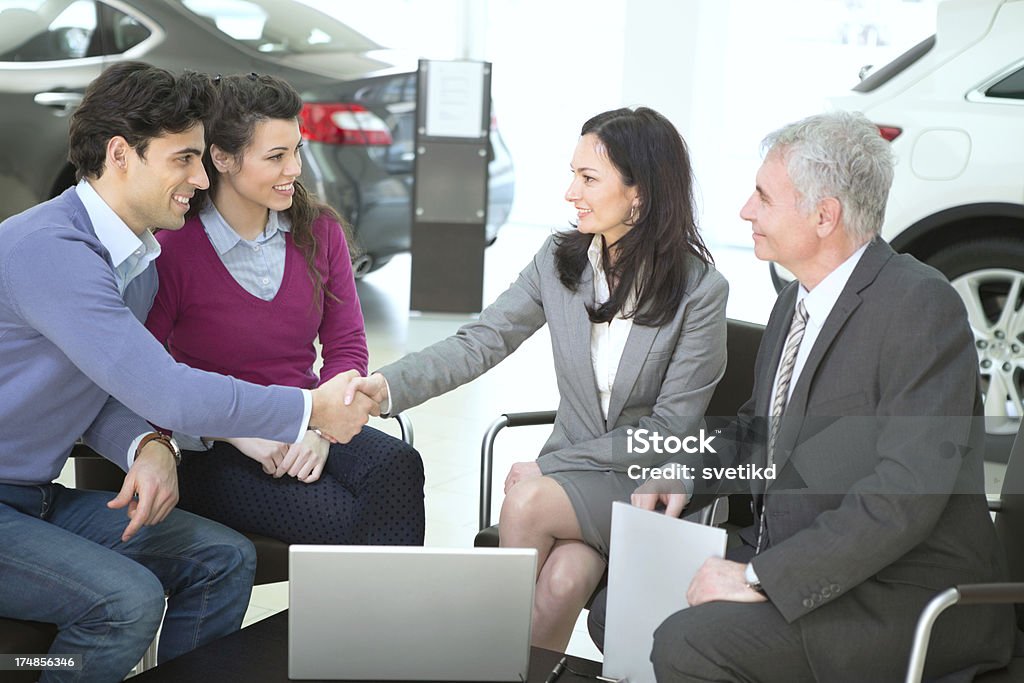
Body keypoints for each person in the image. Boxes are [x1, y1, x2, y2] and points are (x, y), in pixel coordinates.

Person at [589, 111, 1016, 681]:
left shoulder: (920, 307)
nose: (745, 210)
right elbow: (758, 433)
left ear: (824, 215)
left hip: (898, 592)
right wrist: (685, 472)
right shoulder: (795, 301)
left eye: (763, 197)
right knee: (613, 612)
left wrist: (758, 578)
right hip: (806, 557)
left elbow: (903, 496)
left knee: (689, 643)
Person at [0, 62, 376, 682]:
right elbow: (167, 389)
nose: (201, 179)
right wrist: (308, 409)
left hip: (32, 500)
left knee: (223, 558)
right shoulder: (49, 250)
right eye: (184, 159)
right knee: (126, 602)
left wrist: (146, 442)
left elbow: (99, 388)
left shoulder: (136, 259)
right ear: (121, 155)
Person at [345, 107, 728, 651]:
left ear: (640, 194)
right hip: (576, 480)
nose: (571, 192)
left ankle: (477, 659)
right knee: (563, 581)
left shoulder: (700, 290)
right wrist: (384, 388)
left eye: (588, 178)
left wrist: (549, 466)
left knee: (526, 503)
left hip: (648, 484)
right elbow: (482, 341)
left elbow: (668, 428)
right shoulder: (559, 260)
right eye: (573, 174)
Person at [144, 73, 424, 546]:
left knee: (399, 465)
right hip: (215, 445)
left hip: (308, 416)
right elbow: (149, 370)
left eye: (297, 150)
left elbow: (347, 345)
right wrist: (235, 431)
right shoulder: (174, 247)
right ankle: (362, 621)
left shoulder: (321, 233)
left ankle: (373, 621)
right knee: (345, 519)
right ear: (223, 158)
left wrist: (323, 426)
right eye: (276, 156)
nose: (294, 168)